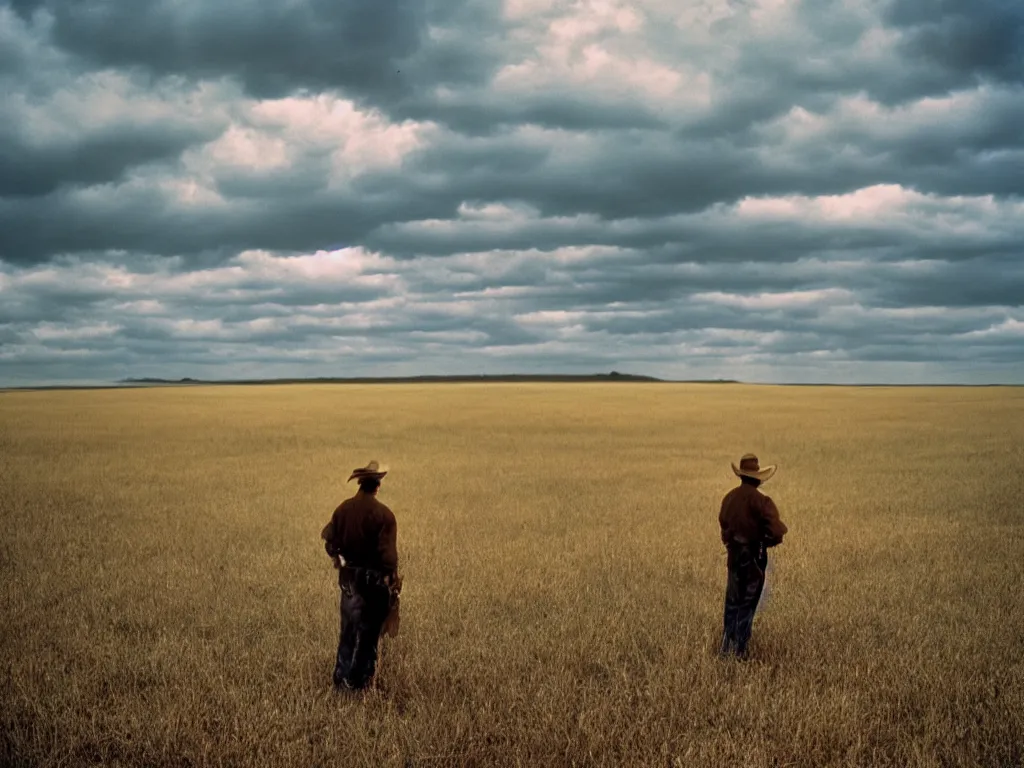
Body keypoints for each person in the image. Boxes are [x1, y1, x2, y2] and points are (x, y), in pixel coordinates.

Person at [321, 460, 400, 690]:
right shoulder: (385, 515)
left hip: (348, 582)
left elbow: (329, 542)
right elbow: (389, 560)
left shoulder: (342, 509)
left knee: (347, 631)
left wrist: (341, 560)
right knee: (368, 635)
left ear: (360, 484)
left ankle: (340, 680)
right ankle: (360, 683)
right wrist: (392, 585)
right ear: (377, 486)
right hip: (374, 585)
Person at [718, 453, 788, 659]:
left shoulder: (729, 498)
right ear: (756, 477)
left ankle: (726, 647)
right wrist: (764, 542)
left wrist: (730, 541)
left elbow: (724, 524)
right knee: (748, 601)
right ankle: (740, 650)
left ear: (741, 476)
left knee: (732, 600)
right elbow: (776, 531)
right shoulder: (762, 501)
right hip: (753, 556)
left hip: (733, 555)